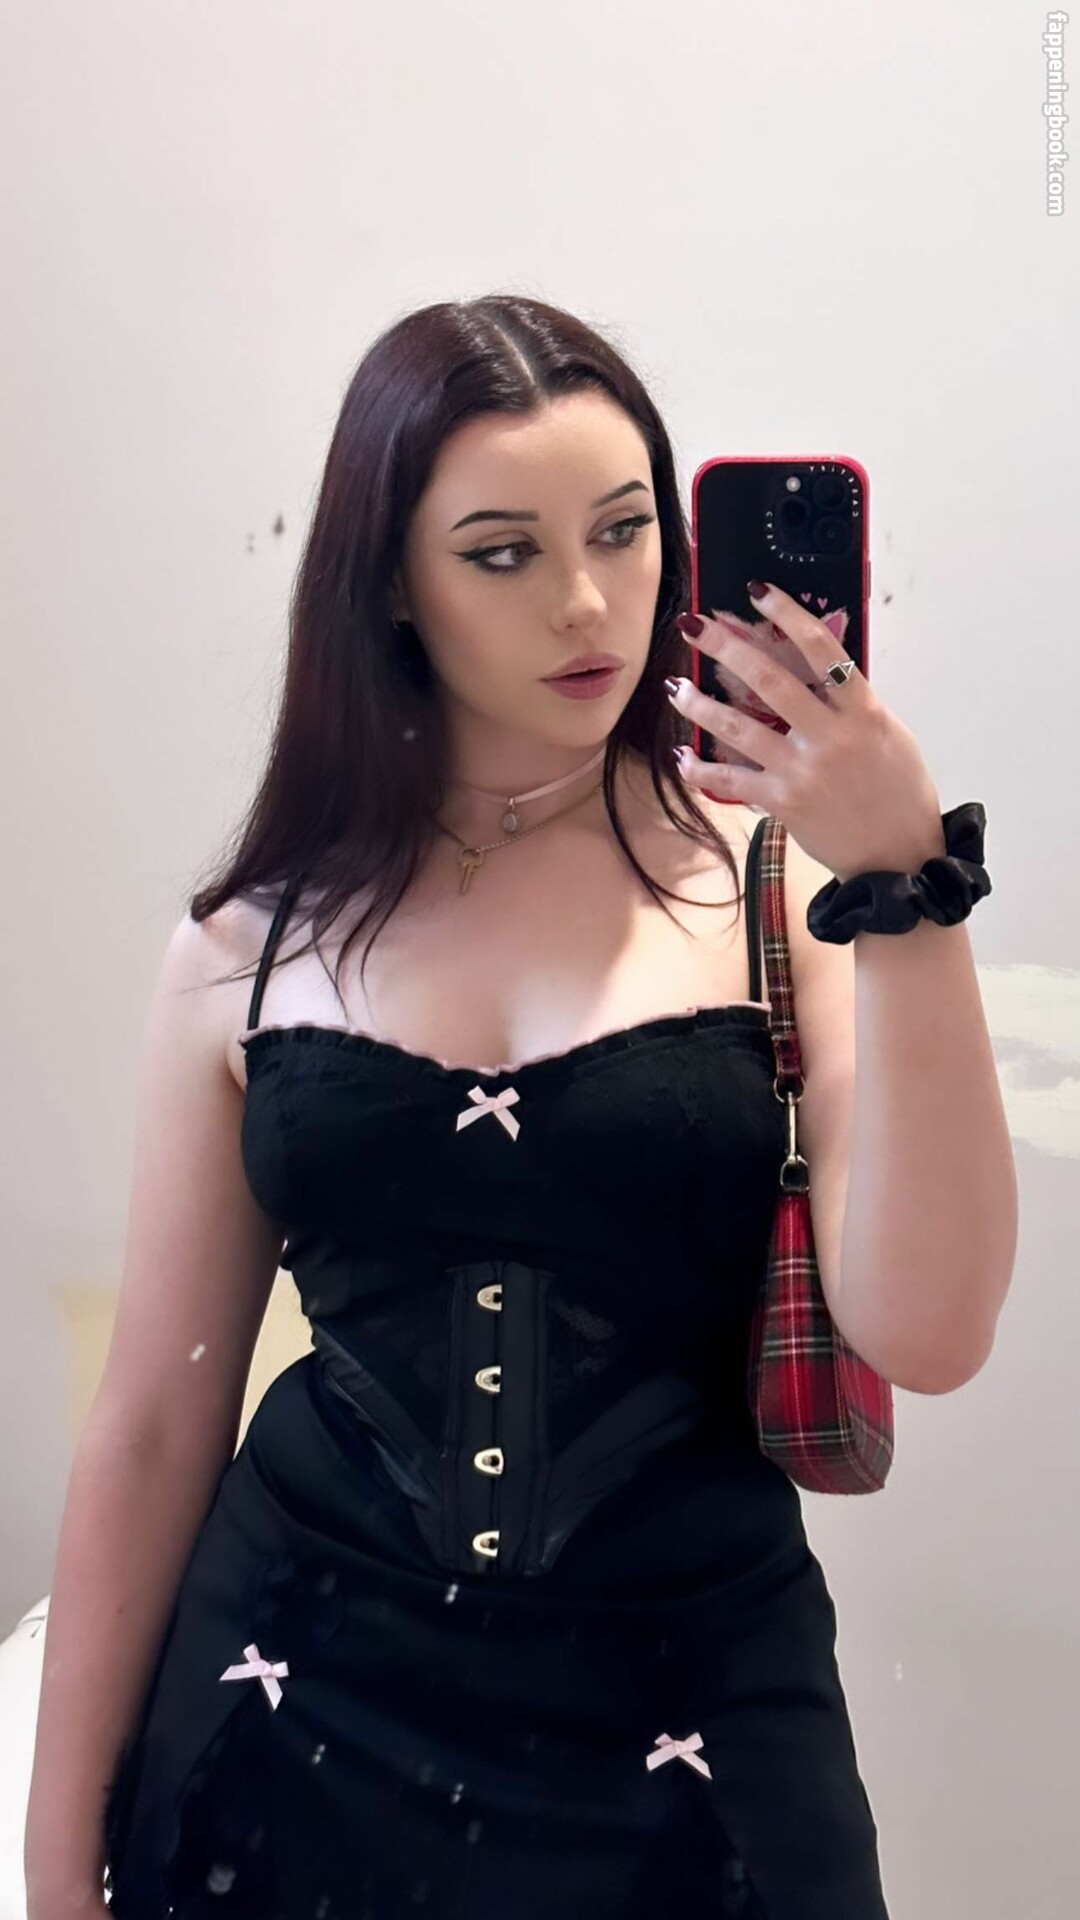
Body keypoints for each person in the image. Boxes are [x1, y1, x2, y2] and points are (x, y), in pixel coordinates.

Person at [25, 295, 892, 1918]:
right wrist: (54, 1850)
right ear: (390, 587)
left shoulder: (795, 892)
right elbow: (151, 1419)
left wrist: (912, 898)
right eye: (502, 554)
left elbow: (932, 1330)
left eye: (625, 529)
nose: (588, 603)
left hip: (699, 1727)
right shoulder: (246, 944)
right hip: (288, 1717)